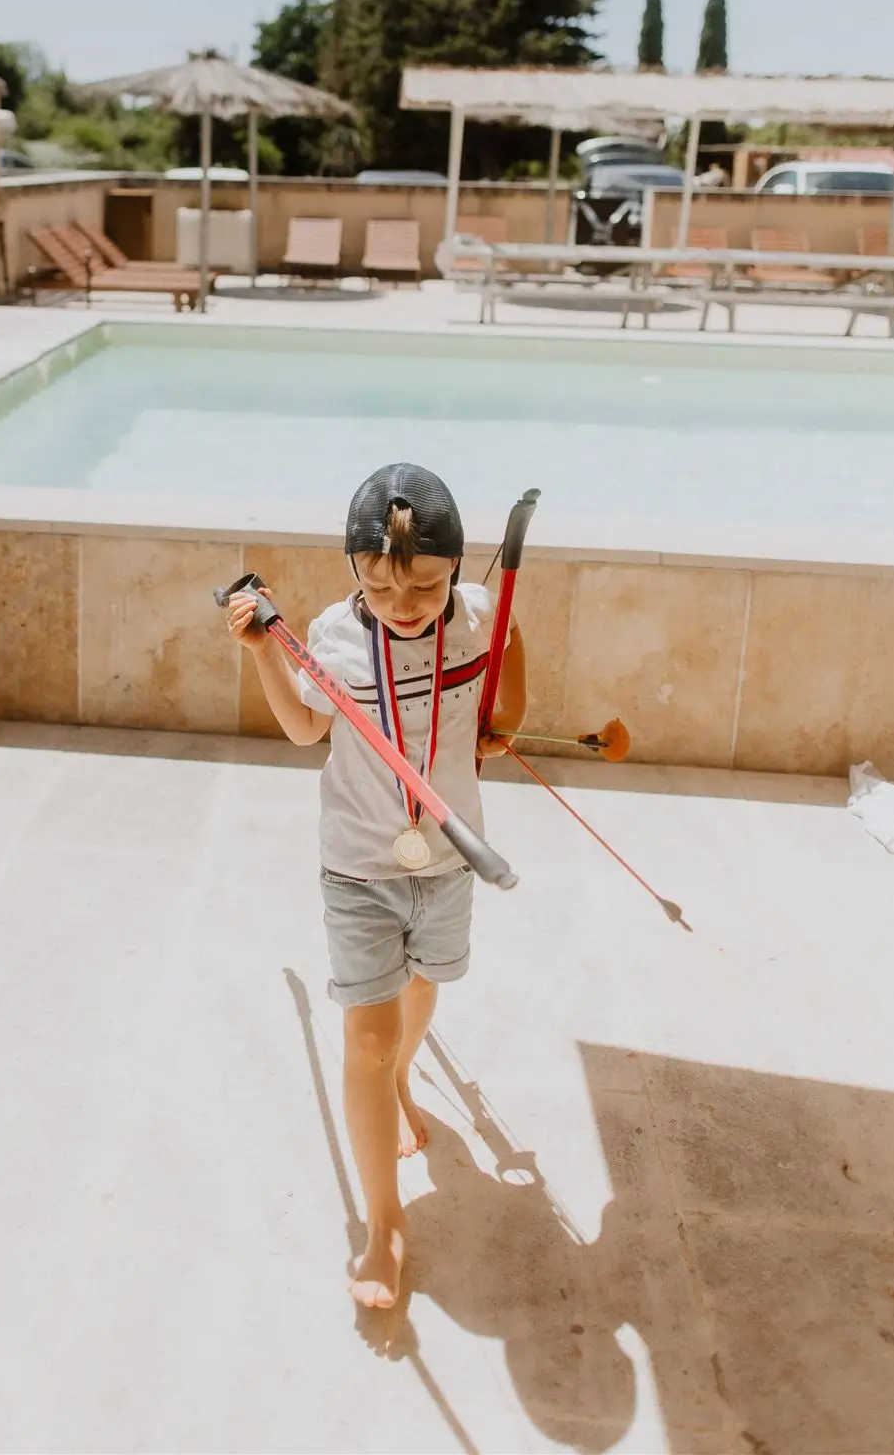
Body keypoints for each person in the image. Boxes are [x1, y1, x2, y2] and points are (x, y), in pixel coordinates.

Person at [227, 461, 526, 1311]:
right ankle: (383, 1224)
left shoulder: (478, 618)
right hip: (359, 864)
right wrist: (263, 653)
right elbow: (302, 729)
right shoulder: (329, 635)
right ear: (353, 570)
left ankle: (401, 1079)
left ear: (456, 567)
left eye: (425, 586)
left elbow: (505, 679)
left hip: (448, 858)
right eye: (379, 585)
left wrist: (499, 719)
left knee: (424, 986)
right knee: (366, 1034)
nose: (402, 604)